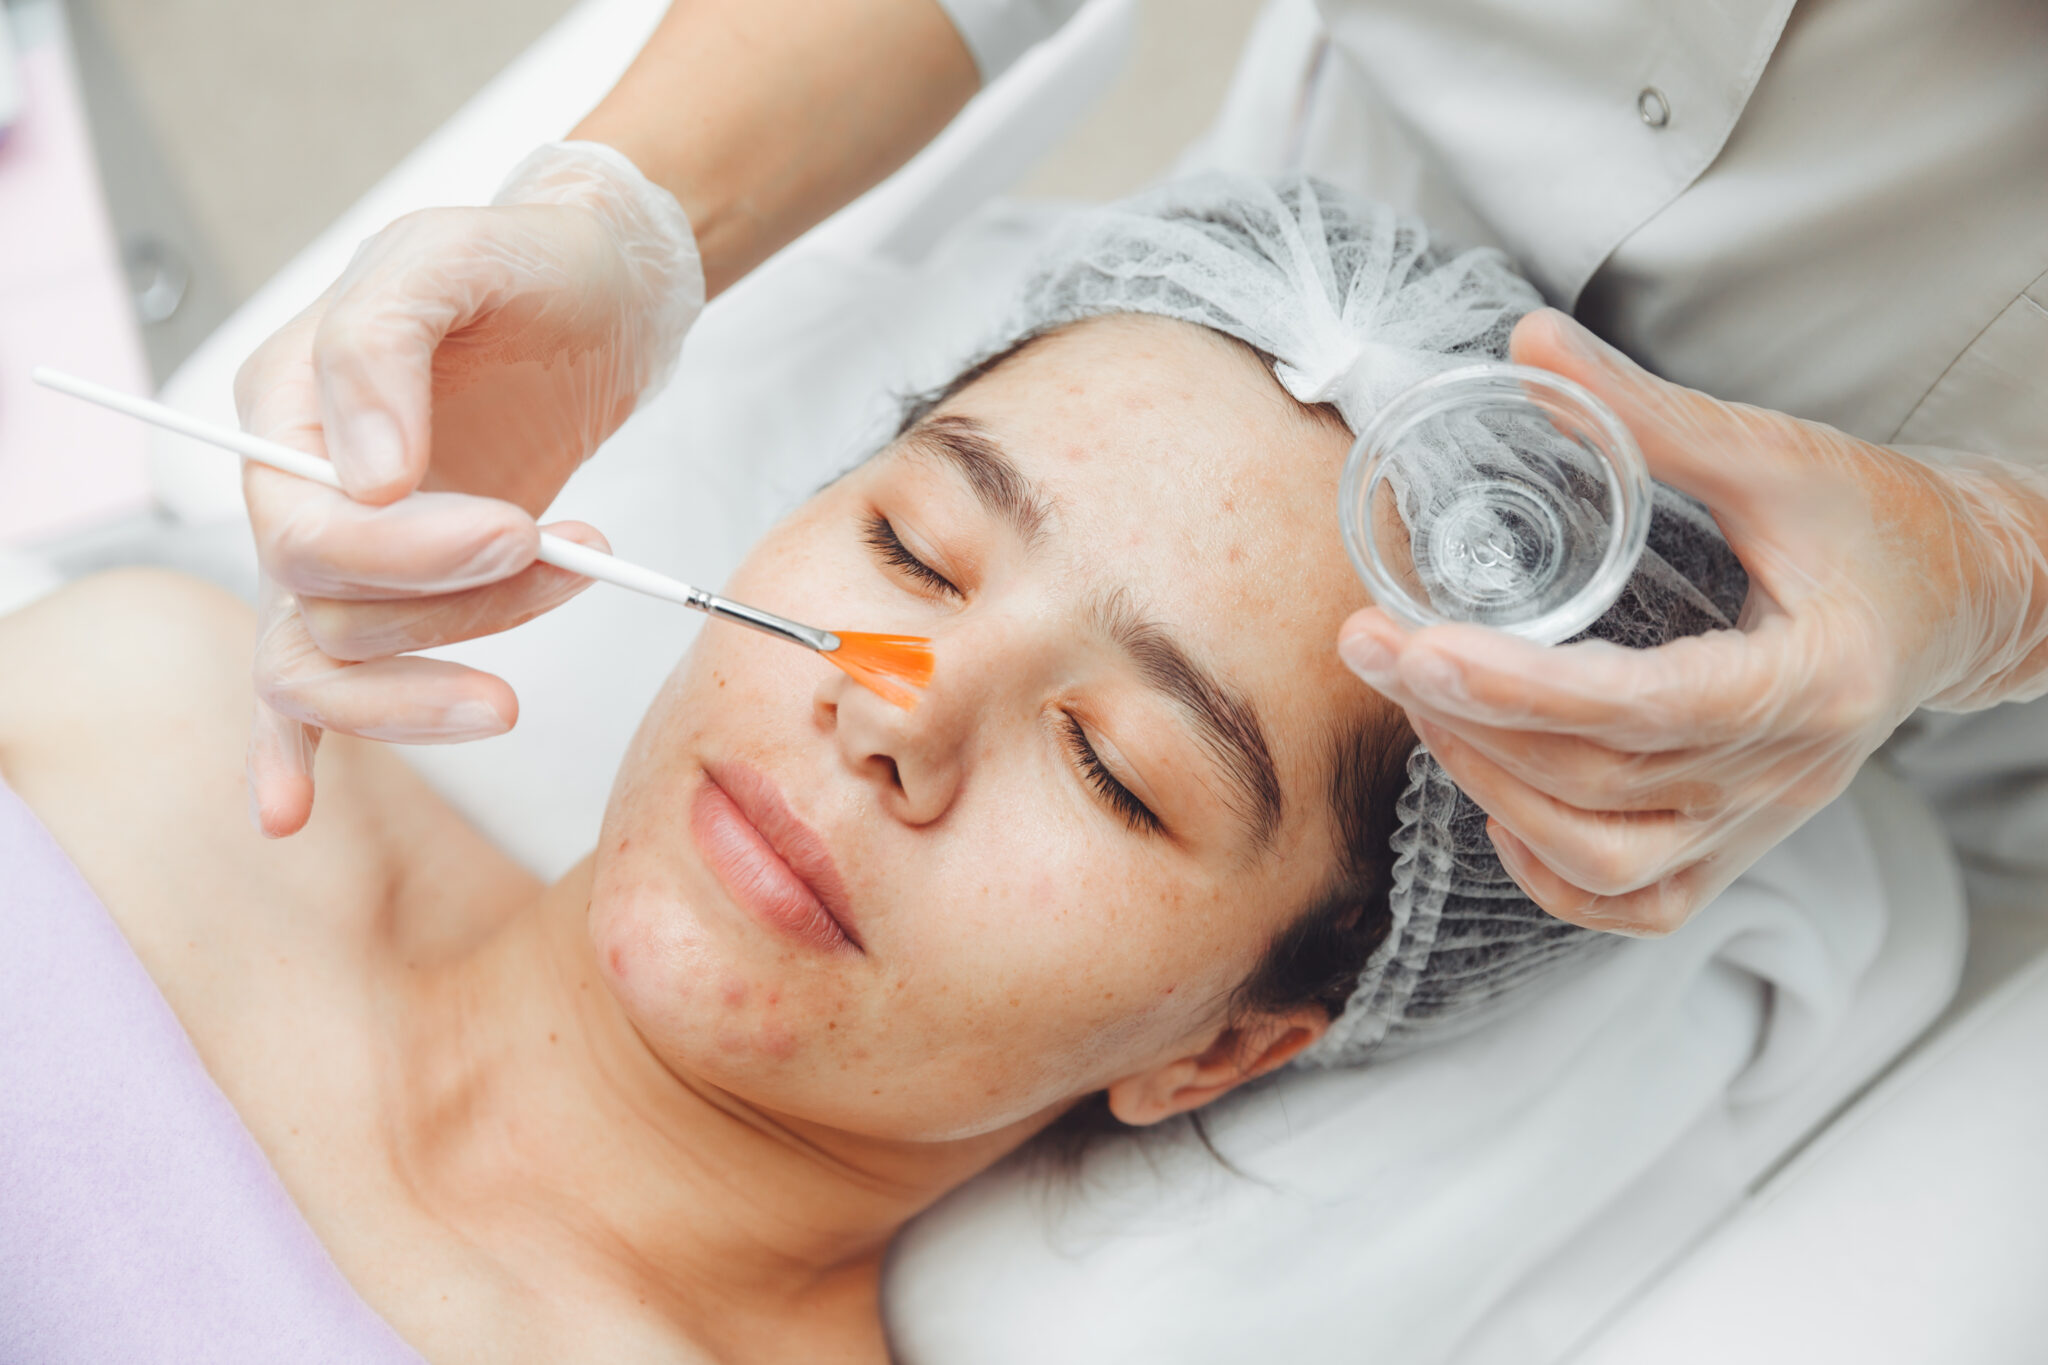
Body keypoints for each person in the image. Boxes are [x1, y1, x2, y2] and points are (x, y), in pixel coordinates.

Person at [231, 0, 2048, 943]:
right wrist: (629, 221)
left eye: (1116, 770)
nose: (894, 705)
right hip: (1264, 256)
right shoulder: (137, 691)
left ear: (1226, 1049)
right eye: (911, 549)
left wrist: (1996, 574)